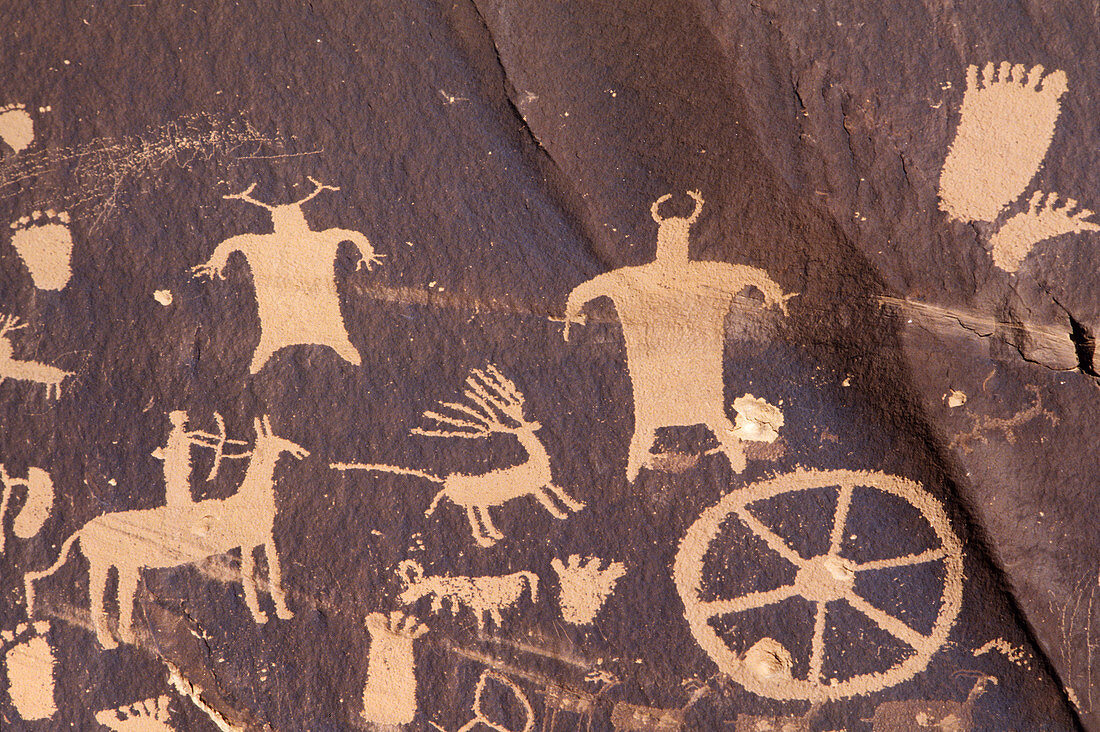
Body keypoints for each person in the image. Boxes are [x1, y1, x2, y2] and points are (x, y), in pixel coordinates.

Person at [564, 190, 792, 481]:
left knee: (664, 421)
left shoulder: (644, 278)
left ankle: (640, 473)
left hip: (677, 376)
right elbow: (755, 276)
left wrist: (573, 312)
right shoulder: (689, 276)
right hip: (675, 375)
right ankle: (725, 463)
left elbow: (585, 291)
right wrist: (771, 292)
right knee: (683, 420)